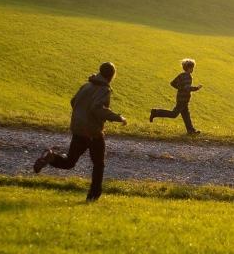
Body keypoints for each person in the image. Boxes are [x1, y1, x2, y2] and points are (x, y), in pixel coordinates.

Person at [33, 62, 127, 202]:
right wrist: (118, 117)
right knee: (98, 164)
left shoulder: (86, 85)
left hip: (78, 128)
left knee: (69, 162)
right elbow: (97, 108)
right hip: (93, 132)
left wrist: (81, 115)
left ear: (100, 72)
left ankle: (51, 157)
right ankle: (93, 196)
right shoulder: (104, 90)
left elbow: (73, 101)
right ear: (112, 76)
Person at [149, 58, 202, 135]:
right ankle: (155, 112)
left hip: (181, 98)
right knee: (174, 114)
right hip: (183, 99)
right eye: (192, 68)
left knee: (186, 115)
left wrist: (180, 88)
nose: (193, 69)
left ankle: (191, 131)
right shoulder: (188, 77)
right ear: (189, 68)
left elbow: (172, 83)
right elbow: (187, 88)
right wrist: (197, 88)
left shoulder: (181, 75)